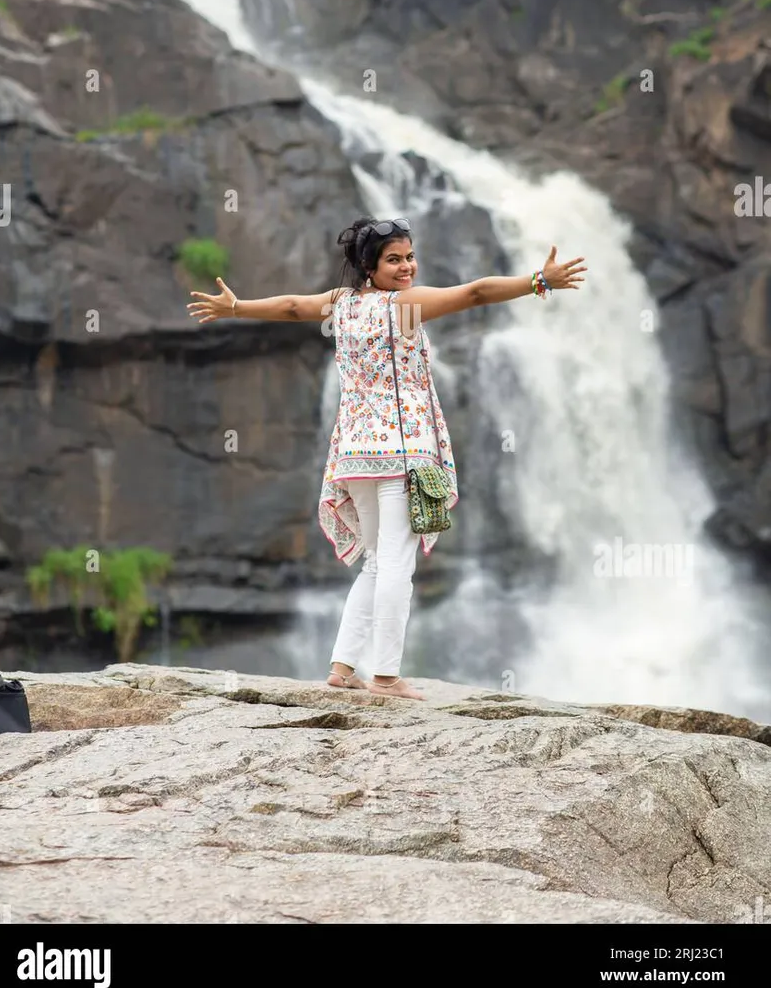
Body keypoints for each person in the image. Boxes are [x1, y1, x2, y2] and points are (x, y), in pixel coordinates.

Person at [187, 216, 586, 700]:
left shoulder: (341, 305)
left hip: (354, 454)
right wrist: (538, 281)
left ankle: (342, 667)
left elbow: (294, 306)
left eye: (410, 257)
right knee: (398, 562)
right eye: (394, 259)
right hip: (401, 453)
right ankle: (386, 677)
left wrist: (237, 309)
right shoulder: (405, 308)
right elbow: (477, 293)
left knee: (377, 563)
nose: (407, 267)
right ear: (367, 267)